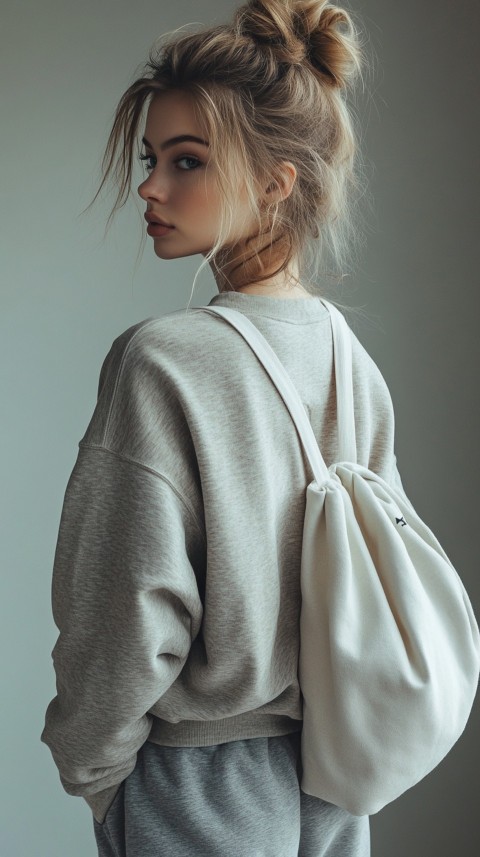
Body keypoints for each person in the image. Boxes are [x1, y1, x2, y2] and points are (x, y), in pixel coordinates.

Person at [41, 2, 409, 854]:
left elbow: (127, 607)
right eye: (152, 159)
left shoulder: (162, 359)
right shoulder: (350, 357)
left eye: (187, 161)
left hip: (198, 779)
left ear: (278, 181)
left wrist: (94, 772)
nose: (150, 187)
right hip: (337, 774)